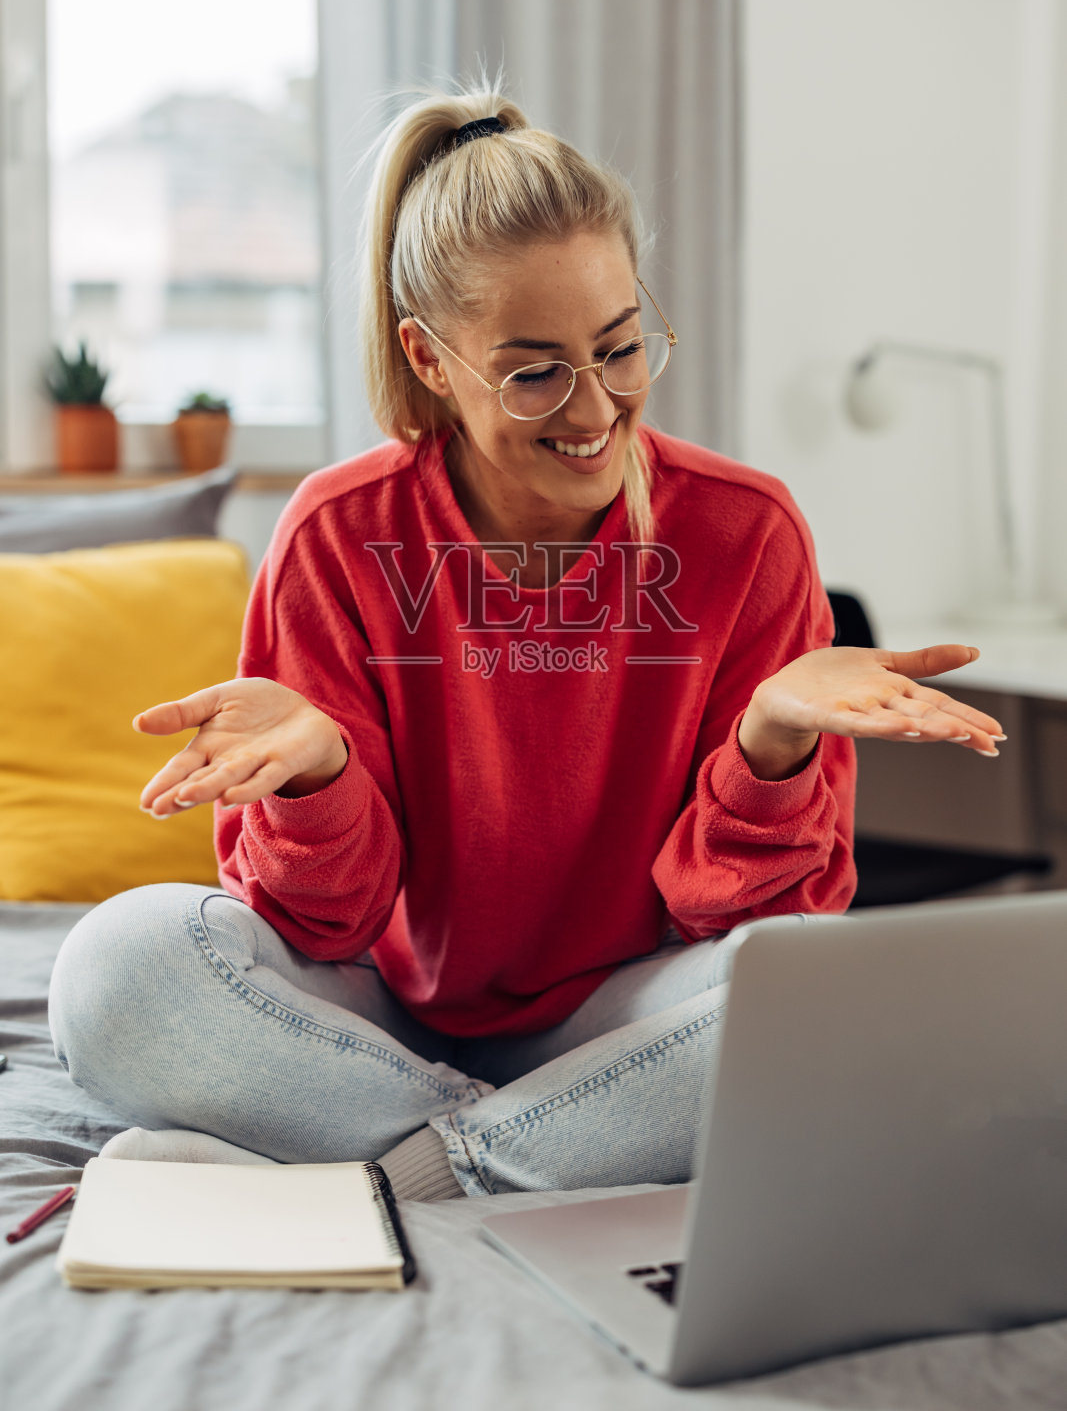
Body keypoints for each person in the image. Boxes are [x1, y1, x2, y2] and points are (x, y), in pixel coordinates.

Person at [48, 88, 1005, 1200]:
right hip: (379, 1021)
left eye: (618, 348)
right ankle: (536, 1150)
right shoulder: (334, 535)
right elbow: (323, 924)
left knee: (831, 996)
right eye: (534, 369)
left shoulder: (745, 531)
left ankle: (407, 1172)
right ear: (429, 358)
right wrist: (318, 776)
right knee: (114, 972)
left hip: (628, 1019)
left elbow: (746, 928)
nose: (595, 408)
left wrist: (769, 744)